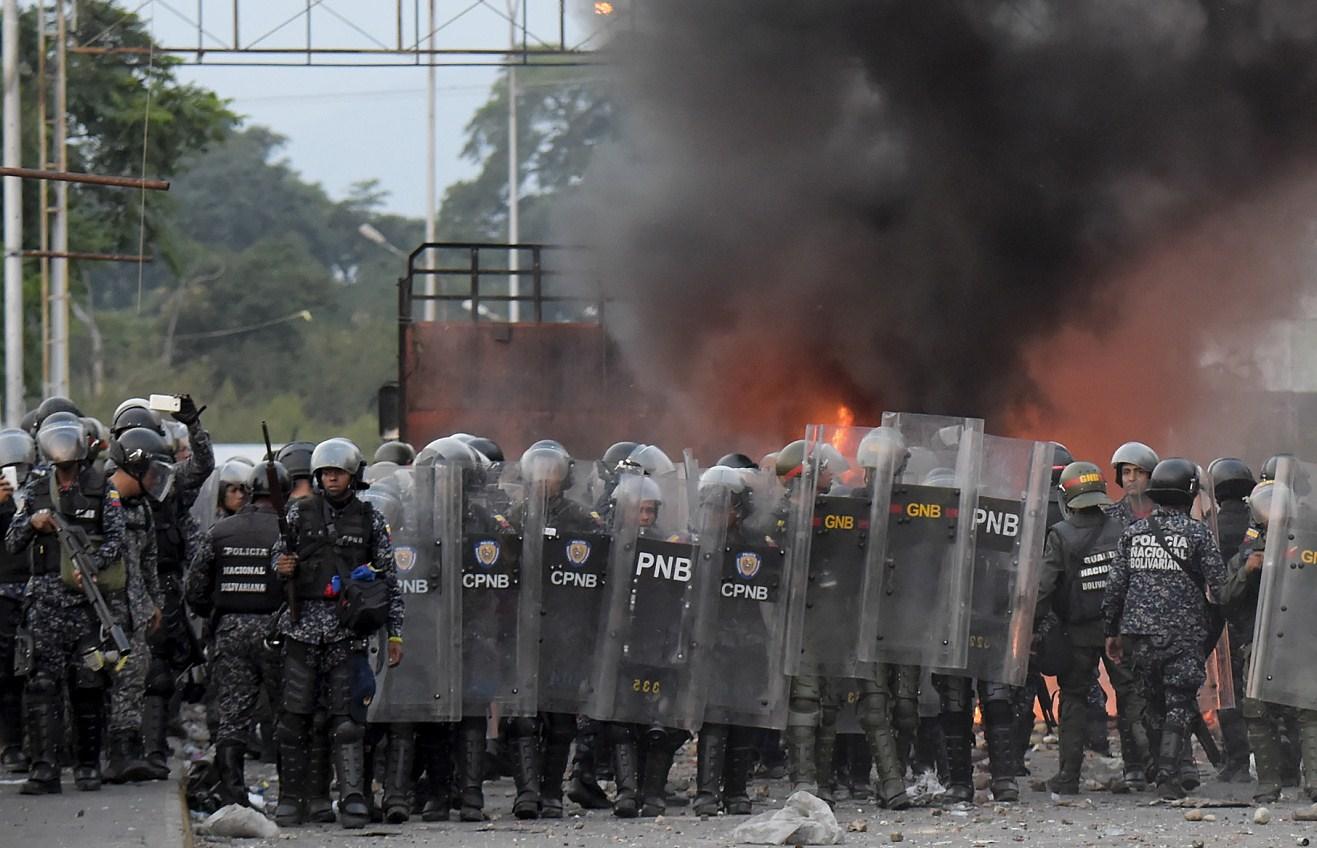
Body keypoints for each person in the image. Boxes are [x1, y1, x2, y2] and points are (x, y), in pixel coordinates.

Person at [271, 438, 405, 828]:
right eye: (325, 472)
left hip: (348, 632)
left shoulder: (370, 519)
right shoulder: (298, 514)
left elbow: (389, 581)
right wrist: (282, 565)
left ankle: (351, 798)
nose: (331, 477)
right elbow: (276, 560)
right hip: (302, 629)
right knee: (295, 719)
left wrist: (394, 635)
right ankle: (291, 798)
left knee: (348, 722)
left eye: (338, 471)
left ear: (352, 474)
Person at [6, 412, 125, 794]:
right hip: (43, 604)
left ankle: (88, 766)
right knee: (41, 687)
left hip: (86, 604)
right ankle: (45, 769)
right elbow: (12, 541)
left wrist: (94, 566)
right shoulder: (38, 488)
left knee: (88, 685)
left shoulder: (101, 487)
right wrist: (32, 524)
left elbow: (116, 538)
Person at [1103, 458, 1226, 800]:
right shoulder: (1199, 533)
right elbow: (1219, 587)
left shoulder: (1133, 533)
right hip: (1183, 636)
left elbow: (1115, 589)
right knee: (1179, 702)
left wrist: (1112, 632)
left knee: (1153, 704)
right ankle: (1169, 776)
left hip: (1139, 637)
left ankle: (1162, 768)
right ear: (1188, 494)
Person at [1034, 461, 1148, 793]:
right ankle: (1146, 769)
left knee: (1073, 699)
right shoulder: (1122, 530)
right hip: (1120, 632)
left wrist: (1031, 628)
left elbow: (1044, 588)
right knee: (1132, 697)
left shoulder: (1061, 535)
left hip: (1078, 634)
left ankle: (1068, 777)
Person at [185, 461, 289, 806]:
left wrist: (216, 613)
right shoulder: (289, 532)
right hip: (278, 631)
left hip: (229, 630)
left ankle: (234, 792)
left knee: (233, 715)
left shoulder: (220, 531)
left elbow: (195, 590)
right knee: (288, 711)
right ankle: (293, 795)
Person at [0, 427, 36, 772]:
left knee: (39, 675)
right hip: (5, 593)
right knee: (8, 674)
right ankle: (10, 743)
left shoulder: (42, 488)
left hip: (38, 589)